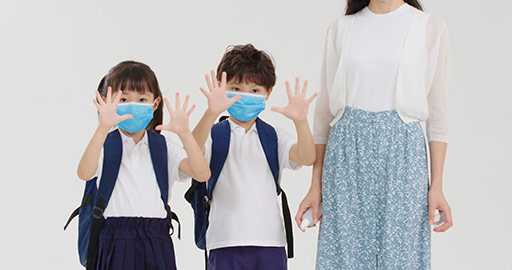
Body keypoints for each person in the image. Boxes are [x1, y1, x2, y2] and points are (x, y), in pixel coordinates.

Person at [295, 1, 453, 269]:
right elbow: (323, 115)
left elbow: (438, 117)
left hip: (404, 156)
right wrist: (315, 184)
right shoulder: (340, 29)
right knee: (343, 257)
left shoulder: (430, 27)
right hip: (346, 154)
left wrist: (436, 185)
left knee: (401, 257)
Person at [192, 44, 317, 270]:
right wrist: (210, 113)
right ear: (222, 88)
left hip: (270, 242)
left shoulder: (273, 135)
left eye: (254, 90)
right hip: (224, 242)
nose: (244, 96)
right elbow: (191, 151)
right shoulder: (214, 134)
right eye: (236, 88)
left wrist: (301, 121)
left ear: (268, 93)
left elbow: (306, 157)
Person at [77, 60, 210, 270]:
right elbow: (85, 173)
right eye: (123, 99)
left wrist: (184, 133)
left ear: (154, 104)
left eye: (141, 99)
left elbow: (201, 174)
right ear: (107, 102)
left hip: (156, 238)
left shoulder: (163, 145)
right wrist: (103, 127)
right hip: (113, 237)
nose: (133, 105)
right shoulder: (104, 144)